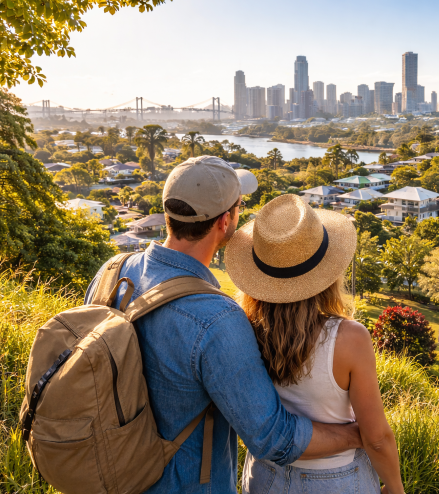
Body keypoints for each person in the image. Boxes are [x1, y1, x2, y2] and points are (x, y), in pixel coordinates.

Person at [84, 158, 363, 494]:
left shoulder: (113, 272)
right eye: (239, 205)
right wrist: (358, 434)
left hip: (107, 473)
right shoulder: (216, 319)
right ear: (226, 220)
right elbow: (272, 438)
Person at [227, 195, 404, 494]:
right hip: (337, 479)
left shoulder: (241, 326)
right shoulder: (349, 339)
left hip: (265, 475)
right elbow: (376, 437)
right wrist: (396, 487)